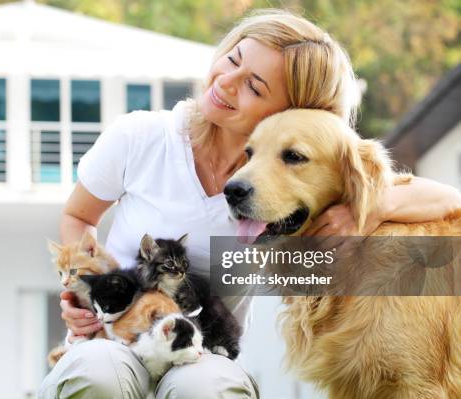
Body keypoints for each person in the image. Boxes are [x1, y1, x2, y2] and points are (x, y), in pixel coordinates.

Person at [39, 9, 461, 399]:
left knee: (206, 391)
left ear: (291, 110)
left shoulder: (297, 200)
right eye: (233, 58)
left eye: (254, 86)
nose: (226, 81)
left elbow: (447, 200)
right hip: (115, 338)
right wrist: (85, 292)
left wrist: (366, 207)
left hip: (206, 352)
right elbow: (79, 216)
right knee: (98, 374)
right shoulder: (142, 136)